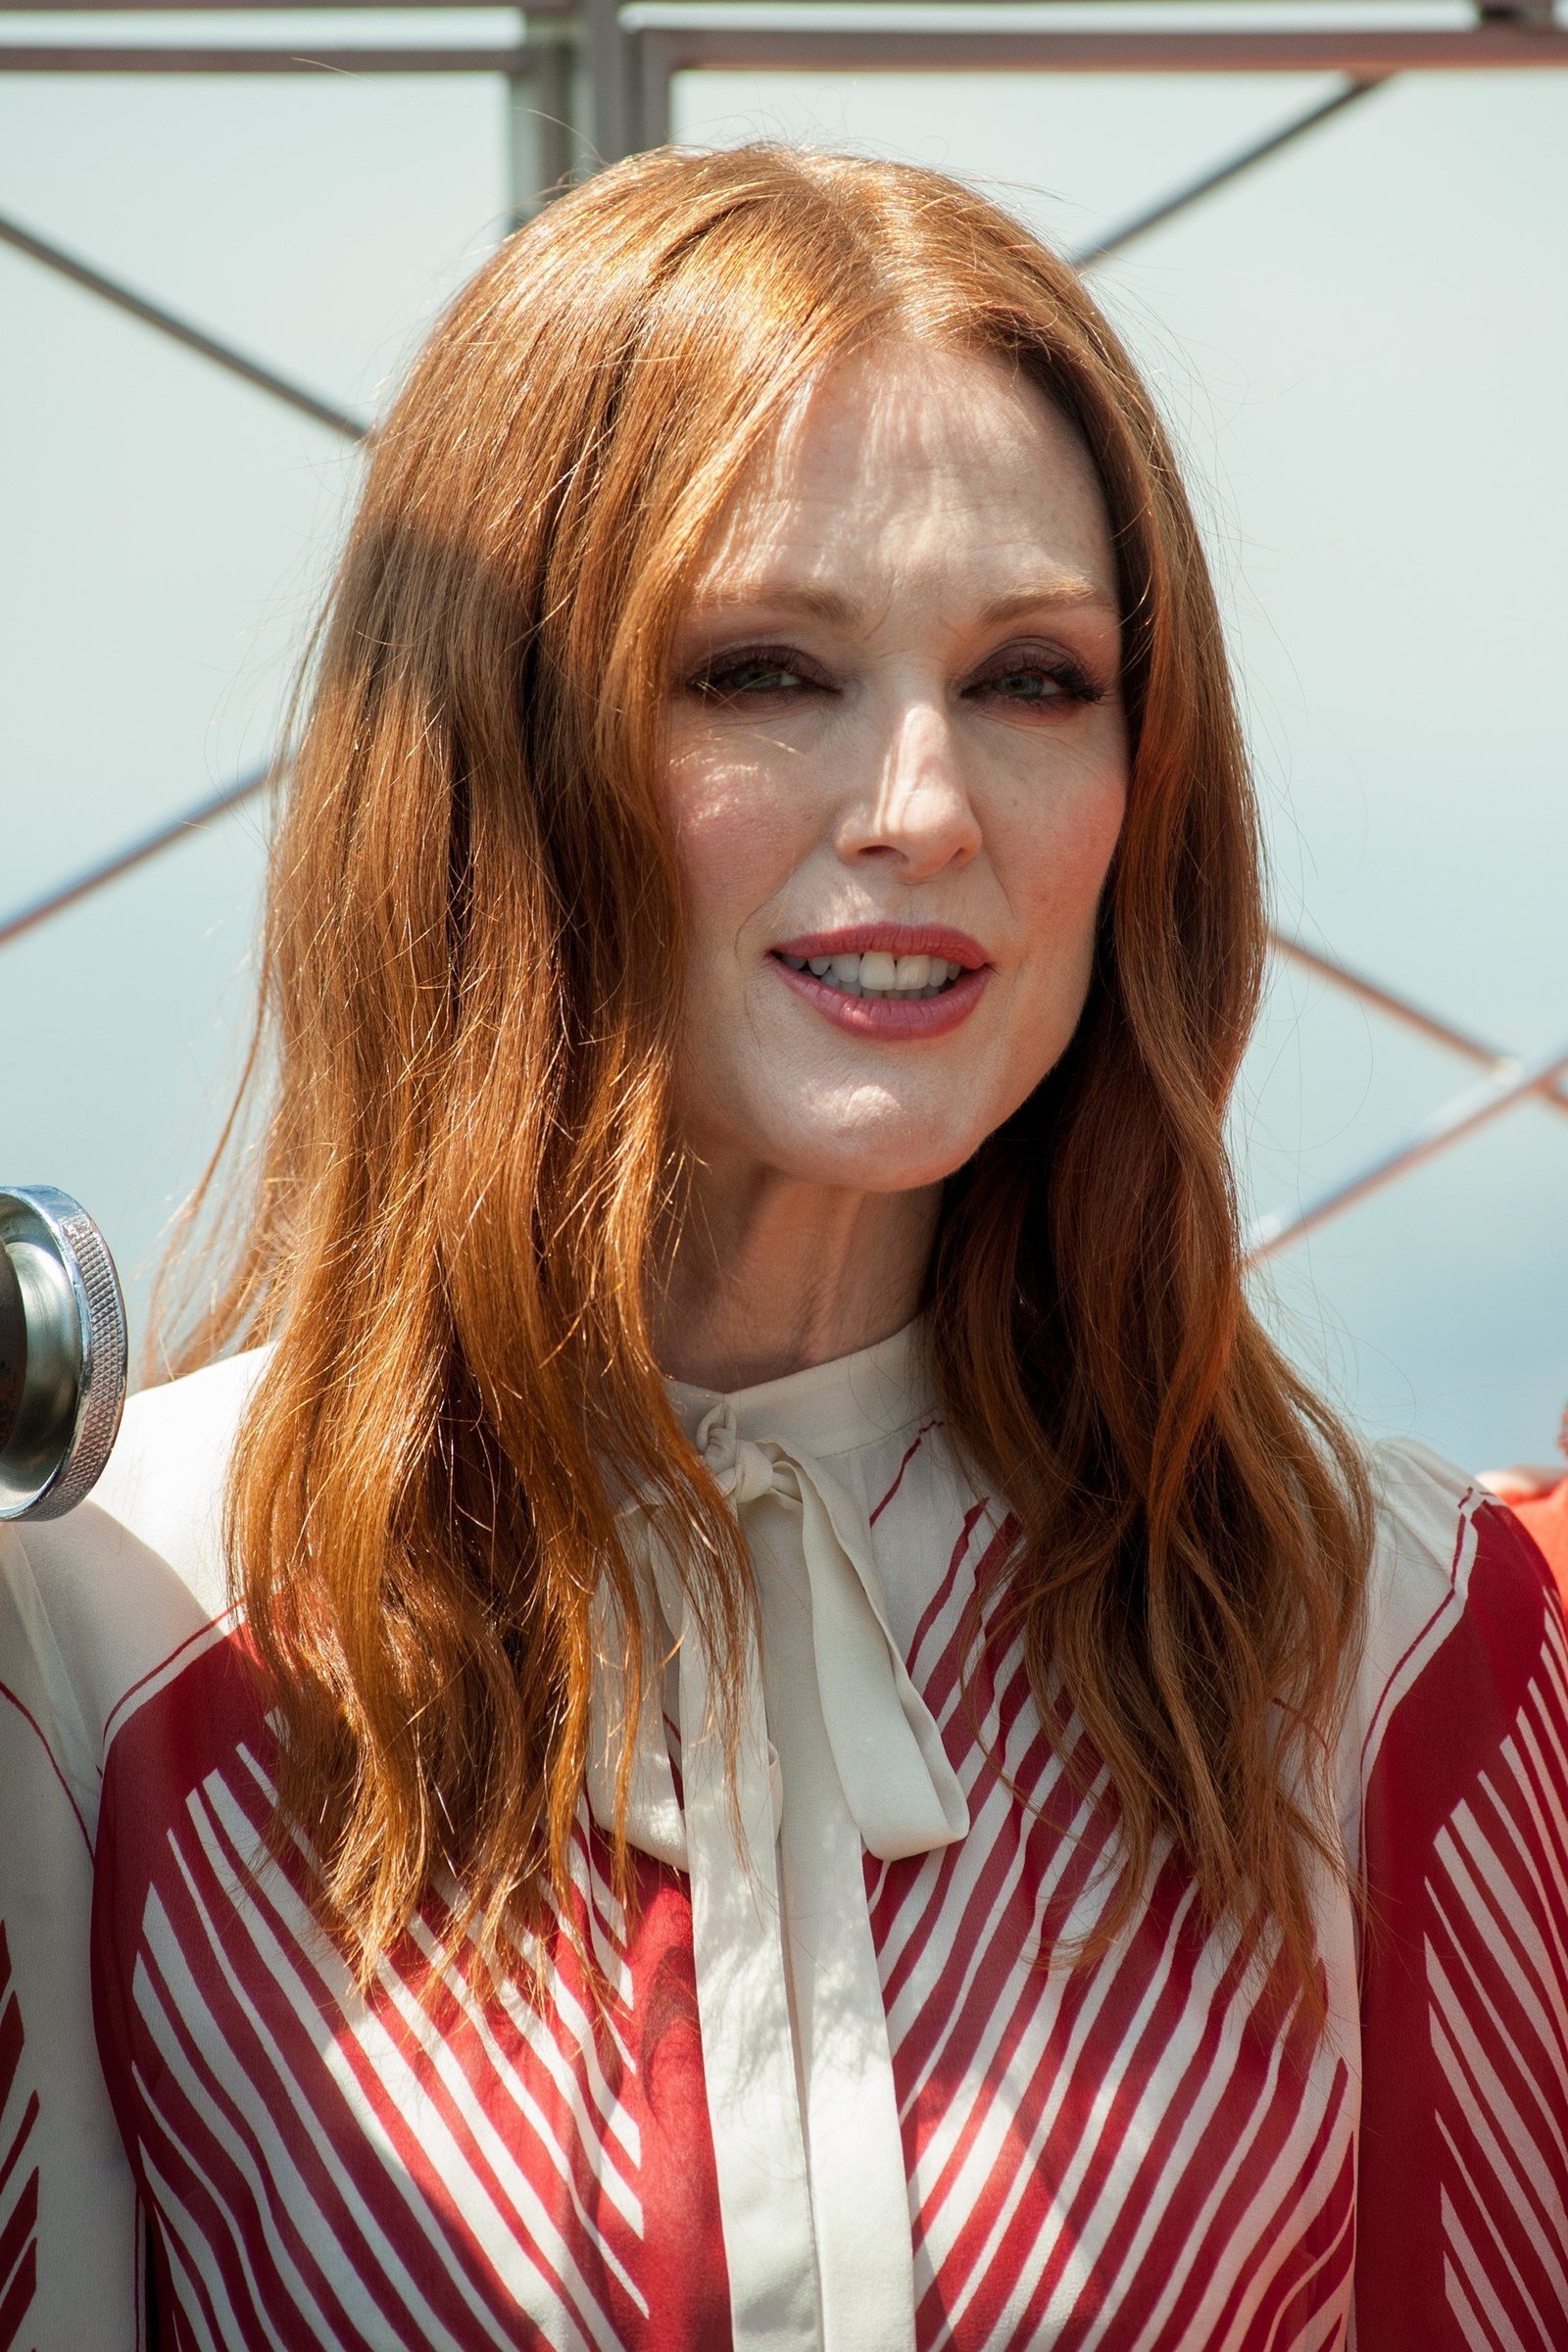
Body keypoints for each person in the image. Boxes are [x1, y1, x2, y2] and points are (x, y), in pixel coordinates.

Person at [2, 144, 1565, 2352]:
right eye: (759, 670)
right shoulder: (90, 1637)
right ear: (491, 758)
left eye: (1034, 679)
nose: (923, 802)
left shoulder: (1413, 1651)